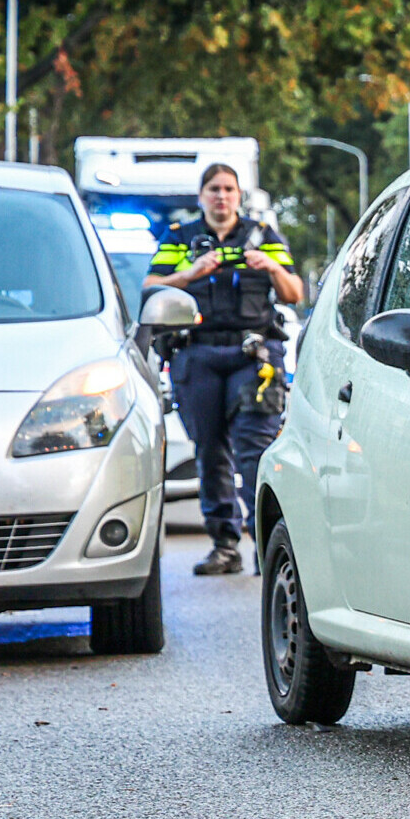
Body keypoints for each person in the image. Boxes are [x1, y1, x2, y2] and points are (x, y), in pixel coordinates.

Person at [146, 163, 304, 575]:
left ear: (239, 196)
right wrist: (191, 273)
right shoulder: (181, 238)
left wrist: (270, 267)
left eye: (229, 189)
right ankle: (225, 546)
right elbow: (150, 287)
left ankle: (267, 551)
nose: (221, 196)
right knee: (210, 452)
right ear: (202, 196)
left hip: (252, 357)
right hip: (197, 356)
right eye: (214, 189)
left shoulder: (261, 236)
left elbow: (294, 292)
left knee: (255, 452)